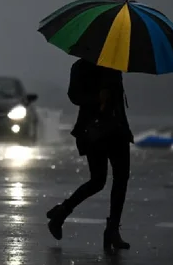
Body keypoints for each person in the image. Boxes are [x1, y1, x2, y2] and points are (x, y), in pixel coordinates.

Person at [46, 58, 134, 251]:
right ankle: (62, 212)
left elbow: (117, 99)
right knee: (98, 180)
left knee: (121, 179)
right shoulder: (82, 67)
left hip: (117, 130)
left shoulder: (113, 65)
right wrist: (97, 99)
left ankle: (112, 230)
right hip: (94, 131)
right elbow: (74, 96)